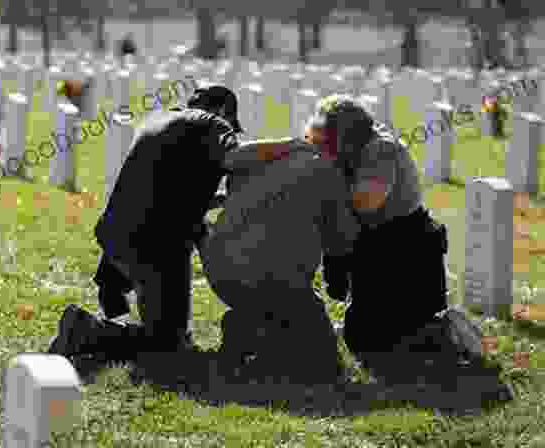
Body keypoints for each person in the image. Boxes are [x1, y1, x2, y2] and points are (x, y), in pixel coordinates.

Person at [47, 84, 304, 370]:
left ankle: (115, 326)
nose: (229, 130)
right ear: (223, 111)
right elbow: (235, 157)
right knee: (168, 342)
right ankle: (87, 330)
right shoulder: (211, 123)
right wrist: (292, 145)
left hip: (118, 232)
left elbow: (166, 190)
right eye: (231, 124)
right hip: (156, 244)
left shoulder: (160, 120)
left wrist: (224, 200)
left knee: (165, 325)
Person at [303, 94, 485, 382]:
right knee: (364, 338)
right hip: (379, 245)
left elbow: (365, 203)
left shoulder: (380, 150)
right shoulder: (356, 152)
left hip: (406, 248)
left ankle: (447, 331)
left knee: (384, 341)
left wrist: (329, 179)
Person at [196, 136, 362, 385]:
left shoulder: (265, 155)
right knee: (326, 364)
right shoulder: (329, 170)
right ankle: (253, 337)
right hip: (274, 281)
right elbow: (342, 241)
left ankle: (245, 326)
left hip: (220, 271)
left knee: (281, 295)